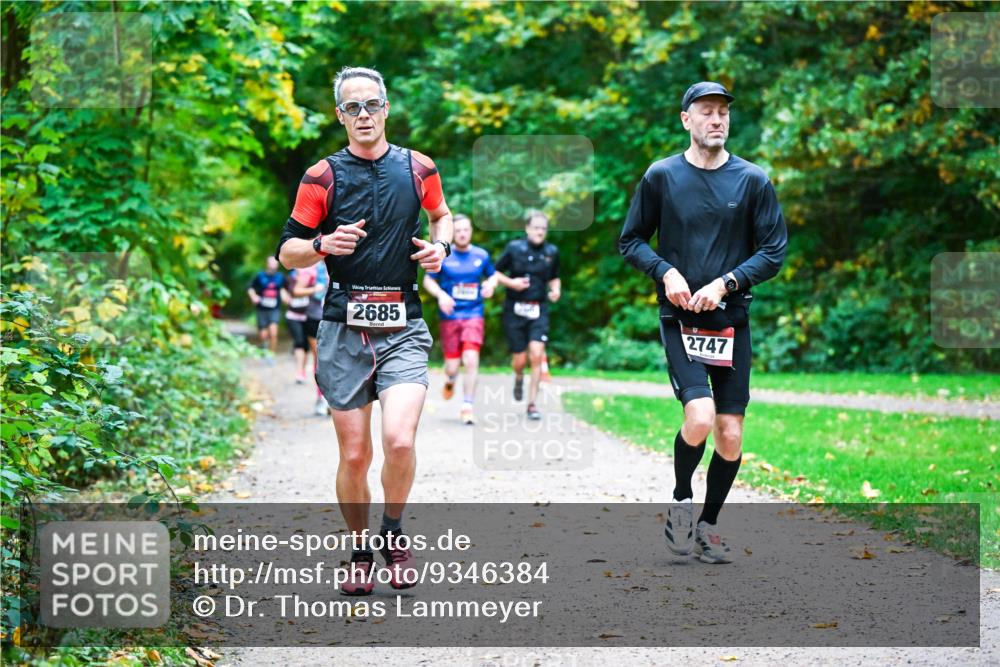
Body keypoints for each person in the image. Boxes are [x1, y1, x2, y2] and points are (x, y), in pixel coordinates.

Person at [276, 66, 452, 594]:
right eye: (352, 108)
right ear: (340, 116)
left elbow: (441, 215)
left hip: (402, 322)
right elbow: (288, 252)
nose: (363, 115)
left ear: (386, 107)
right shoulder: (321, 177)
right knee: (355, 455)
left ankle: (393, 534)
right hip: (341, 327)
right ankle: (358, 549)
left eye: (371, 104)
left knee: (399, 440)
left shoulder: (418, 167)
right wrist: (322, 246)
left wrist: (439, 247)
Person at [619, 81, 788, 564]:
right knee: (700, 417)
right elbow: (631, 240)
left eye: (722, 113)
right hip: (681, 319)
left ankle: (709, 526)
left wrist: (726, 283)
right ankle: (679, 503)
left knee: (730, 433)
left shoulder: (753, 180)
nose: (716, 120)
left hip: (732, 320)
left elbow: (773, 251)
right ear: (686, 120)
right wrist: (666, 271)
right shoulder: (661, 176)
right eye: (706, 112)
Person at [422, 214, 496, 425]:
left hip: (473, 314)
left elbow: (493, 275)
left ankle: (467, 405)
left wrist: (491, 284)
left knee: (471, 359)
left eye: (466, 229)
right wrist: (441, 295)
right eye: (459, 230)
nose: (463, 233)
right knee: (452, 366)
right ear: (453, 233)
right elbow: (429, 280)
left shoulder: (481, 255)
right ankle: (451, 379)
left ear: (471, 231)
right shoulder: (445, 254)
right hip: (450, 316)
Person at [494, 211, 560, 421]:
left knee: (537, 353)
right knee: (520, 360)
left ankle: (532, 404)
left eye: (543, 228)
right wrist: (511, 283)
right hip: (515, 308)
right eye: (536, 227)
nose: (540, 231)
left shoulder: (552, 251)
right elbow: (493, 271)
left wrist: (556, 290)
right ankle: (519, 377)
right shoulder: (514, 248)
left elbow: (555, 277)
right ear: (527, 228)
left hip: (539, 309)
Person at [247, 257, 285, 360]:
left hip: (274, 308)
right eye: (271, 263)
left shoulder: (280, 277)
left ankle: (270, 355)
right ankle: (264, 345)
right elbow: (250, 288)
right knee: (263, 335)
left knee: (273, 333)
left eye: (275, 263)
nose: (273, 265)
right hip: (262, 308)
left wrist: (285, 296)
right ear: (267, 264)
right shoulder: (260, 275)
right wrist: (253, 296)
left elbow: (282, 289)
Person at [284, 266, 315, 383]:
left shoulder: (313, 278)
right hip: (293, 316)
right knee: (299, 342)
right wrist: (284, 296)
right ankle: (299, 372)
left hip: (308, 316)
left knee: (306, 346)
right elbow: (282, 289)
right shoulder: (290, 278)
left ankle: (302, 370)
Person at [306, 261, 330, 415]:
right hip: (315, 316)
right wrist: (314, 287)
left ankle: (332, 398)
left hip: (337, 318)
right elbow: (297, 289)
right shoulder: (311, 268)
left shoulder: (347, 261)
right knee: (320, 359)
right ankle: (321, 398)